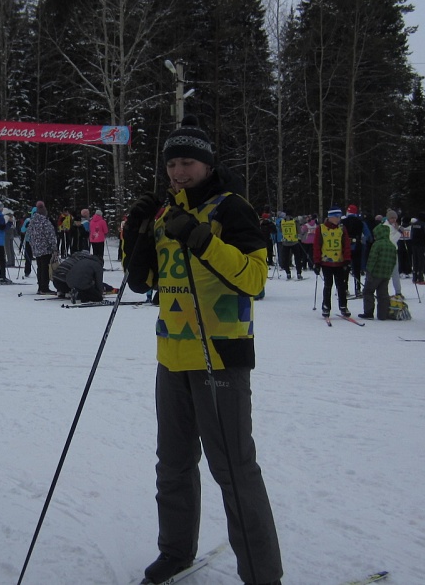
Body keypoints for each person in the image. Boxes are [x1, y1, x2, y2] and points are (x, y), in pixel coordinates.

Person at [122, 115, 282, 585]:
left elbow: (255, 278)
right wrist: (136, 236)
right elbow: (143, 281)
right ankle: (175, 551)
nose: (178, 172)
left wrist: (200, 238)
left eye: (187, 163)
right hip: (172, 355)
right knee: (172, 465)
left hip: (221, 355)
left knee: (234, 469)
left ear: (207, 164)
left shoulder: (232, 208)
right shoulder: (164, 212)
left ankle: (263, 575)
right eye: (172, 164)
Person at [314, 206, 352, 318]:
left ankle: (343, 306)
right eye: (336, 217)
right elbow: (317, 246)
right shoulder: (321, 228)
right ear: (330, 217)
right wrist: (317, 262)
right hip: (326, 262)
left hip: (339, 262)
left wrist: (347, 260)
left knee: (341, 285)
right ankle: (326, 306)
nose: (338, 219)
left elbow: (346, 245)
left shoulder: (342, 228)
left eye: (339, 217)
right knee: (328, 285)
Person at [361, 221, 395, 320]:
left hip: (375, 273)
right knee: (383, 294)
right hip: (386, 274)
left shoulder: (377, 244)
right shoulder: (392, 245)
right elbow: (394, 261)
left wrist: (368, 271)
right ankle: (382, 314)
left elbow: (372, 259)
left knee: (368, 291)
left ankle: (368, 313)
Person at [27, 201, 58, 295]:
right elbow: (50, 236)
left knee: (40, 267)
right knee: (45, 268)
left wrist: (33, 246)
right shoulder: (45, 222)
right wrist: (54, 248)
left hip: (37, 248)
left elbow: (29, 235)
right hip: (46, 248)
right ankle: (44, 288)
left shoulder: (32, 221)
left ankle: (40, 286)